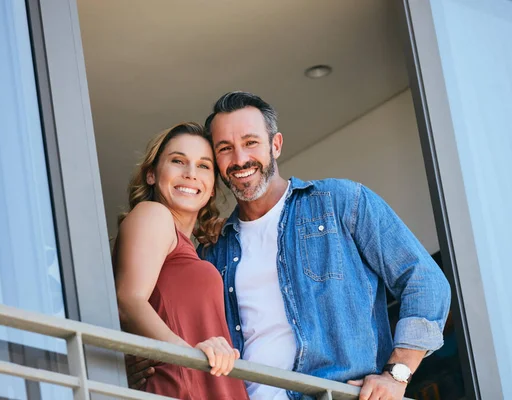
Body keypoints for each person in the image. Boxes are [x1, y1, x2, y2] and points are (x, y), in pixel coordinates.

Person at [129, 92, 452, 400]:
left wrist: (396, 375)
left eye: (250, 143)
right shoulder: (213, 253)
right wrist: (140, 365)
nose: (240, 159)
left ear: (276, 145)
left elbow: (424, 282)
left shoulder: (341, 202)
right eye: (225, 148)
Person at [113, 122, 249, 400]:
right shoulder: (153, 214)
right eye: (178, 161)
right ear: (152, 175)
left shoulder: (194, 250)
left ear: (212, 187)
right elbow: (129, 301)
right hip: (179, 387)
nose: (190, 174)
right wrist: (189, 355)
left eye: (203, 166)